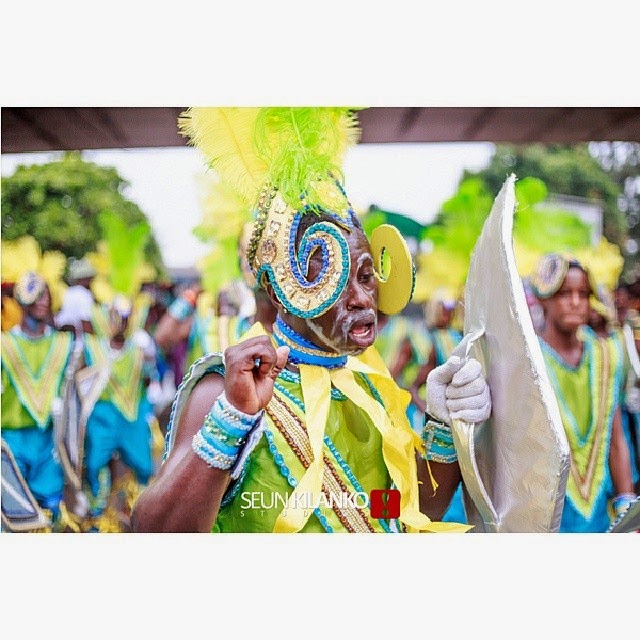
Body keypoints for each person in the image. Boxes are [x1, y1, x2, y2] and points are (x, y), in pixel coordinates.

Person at [131, 107, 491, 533]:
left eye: (364, 275)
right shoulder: (230, 390)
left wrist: (444, 425)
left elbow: (398, 514)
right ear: (283, 287)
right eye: (332, 276)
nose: (362, 299)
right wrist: (234, 418)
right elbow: (152, 532)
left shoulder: (369, 390)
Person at [530, 254, 636, 532]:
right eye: (564, 293)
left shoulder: (607, 354)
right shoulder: (527, 357)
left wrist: (626, 505)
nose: (576, 302)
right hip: (544, 509)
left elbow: (615, 438)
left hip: (598, 510)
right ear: (544, 298)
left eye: (583, 293)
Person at [1, 272, 75, 523]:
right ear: (22, 299)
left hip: (49, 440)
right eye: (37, 295)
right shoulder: (4, 344)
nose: (44, 301)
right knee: (12, 514)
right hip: (11, 442)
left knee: (51, 511)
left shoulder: (65, 344)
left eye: (47, 295)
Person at [82, 294, 158, 531]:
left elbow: (148, 381)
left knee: (144, 468)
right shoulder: (90, 346)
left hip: (131, 417)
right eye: (117, 316)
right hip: (101, 418)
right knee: (95, 466)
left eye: (126, 317)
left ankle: (140, 515)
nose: (121, 322)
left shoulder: (139, 348)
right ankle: (97, 518)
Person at [54, 257, 97, 336]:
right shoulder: (84, 294)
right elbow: (85, 322)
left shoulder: (68, 291)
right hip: (78, 340)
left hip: (63, 336)